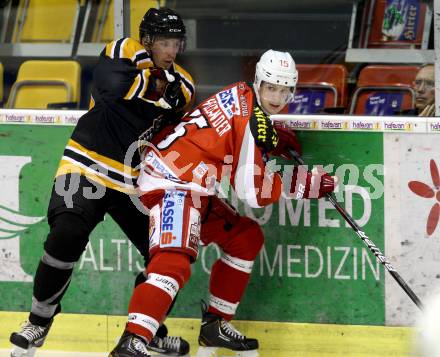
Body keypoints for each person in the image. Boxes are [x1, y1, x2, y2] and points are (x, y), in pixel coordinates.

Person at [108, 50, 336, 357]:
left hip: (192, 182)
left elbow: (226, 141)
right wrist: (303, 184)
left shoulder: (242, 96)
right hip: (172, 181)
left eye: (284, 90)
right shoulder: (251, 121)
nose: (277, 96)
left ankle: (215, 325)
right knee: (173, 263)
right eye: (271, 87)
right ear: (259, 82)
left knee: (244, 238)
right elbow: (252, 192)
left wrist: (270, 140)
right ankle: (132, 341)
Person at [9, 7, 194, 357]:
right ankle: (38, 322)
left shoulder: (183, 84)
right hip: (86, 165)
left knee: (170, 257)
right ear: (149, 40)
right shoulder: (124, 49)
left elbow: (171, 118)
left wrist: (145, 87)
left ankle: (145, 332)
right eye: (165, 43)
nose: (171, 51)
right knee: (67, 232)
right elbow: (111, 87)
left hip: (134, 182)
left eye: (176, 43)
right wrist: (153, 87)